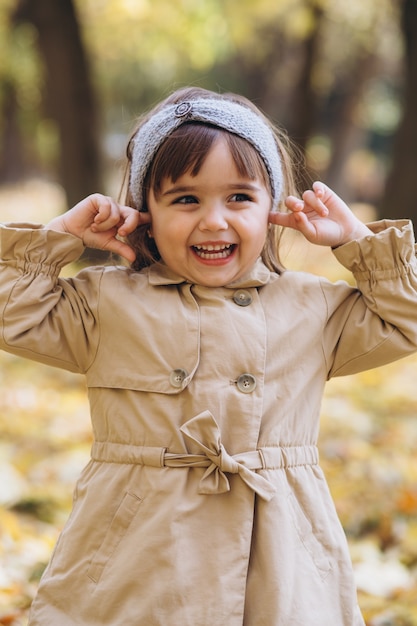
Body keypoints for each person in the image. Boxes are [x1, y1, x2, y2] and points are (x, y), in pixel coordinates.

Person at [1, 86, 417, 626]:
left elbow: (406, 317)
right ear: (144, 210)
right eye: (185, 199)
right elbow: (12, 311)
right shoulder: (109, 304)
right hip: (138, 559)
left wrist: (359, 242)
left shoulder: (312, 307)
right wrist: (59, 237)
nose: (214, 221)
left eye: (239, 197)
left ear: (273, 207)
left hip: (282, 561)